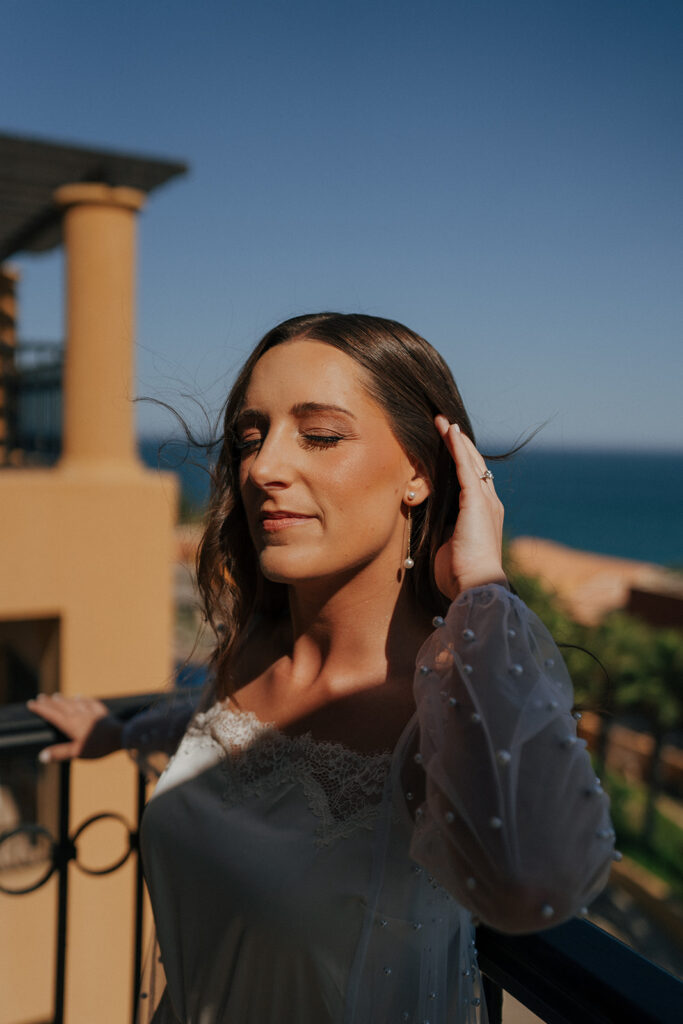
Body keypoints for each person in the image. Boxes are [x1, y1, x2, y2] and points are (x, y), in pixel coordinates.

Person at [29, 313, 615, 1024]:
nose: (263, 467)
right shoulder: (254, 651)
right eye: (251, 437)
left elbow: (535, 887)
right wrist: (119, 733)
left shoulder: (440, 711)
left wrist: (483, 590)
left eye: (320, 435)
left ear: (421, 474)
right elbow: (222, 733)